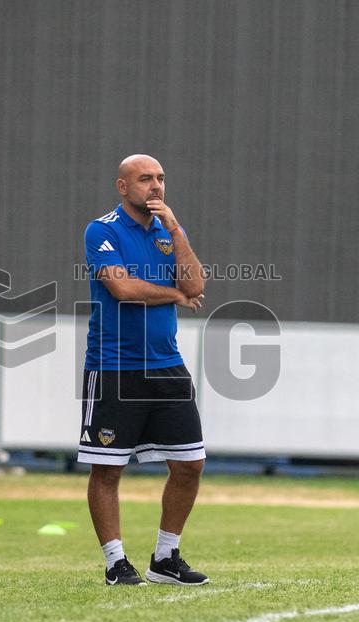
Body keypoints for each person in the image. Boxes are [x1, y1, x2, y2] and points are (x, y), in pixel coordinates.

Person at [80, 154, 209, 586]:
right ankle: (116, 562)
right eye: (144, 179)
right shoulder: (102, 230)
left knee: (190, 464)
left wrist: (174, 229)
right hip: (115, 366)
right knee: (108, 469)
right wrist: (174, 294)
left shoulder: (169, 231)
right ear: (122, 186)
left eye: (160, 179)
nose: (155, 186)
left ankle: (165, 558)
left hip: (166, 366)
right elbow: (123, 288)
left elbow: (197, 286)